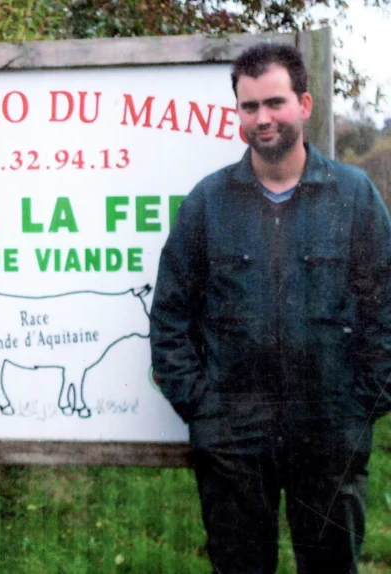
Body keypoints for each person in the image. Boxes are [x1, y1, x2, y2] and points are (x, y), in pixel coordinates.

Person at [150, 42, 391, 573]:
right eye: (250, 106)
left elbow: (385, 308)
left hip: (329, 433)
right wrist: (203, 410)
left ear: (304, 105)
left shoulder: (353, 197)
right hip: (234, 438)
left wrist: (361, 406)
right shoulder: (208, 203)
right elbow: (170, 316)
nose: (263, 118)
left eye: (275, 103)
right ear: (238, 112)